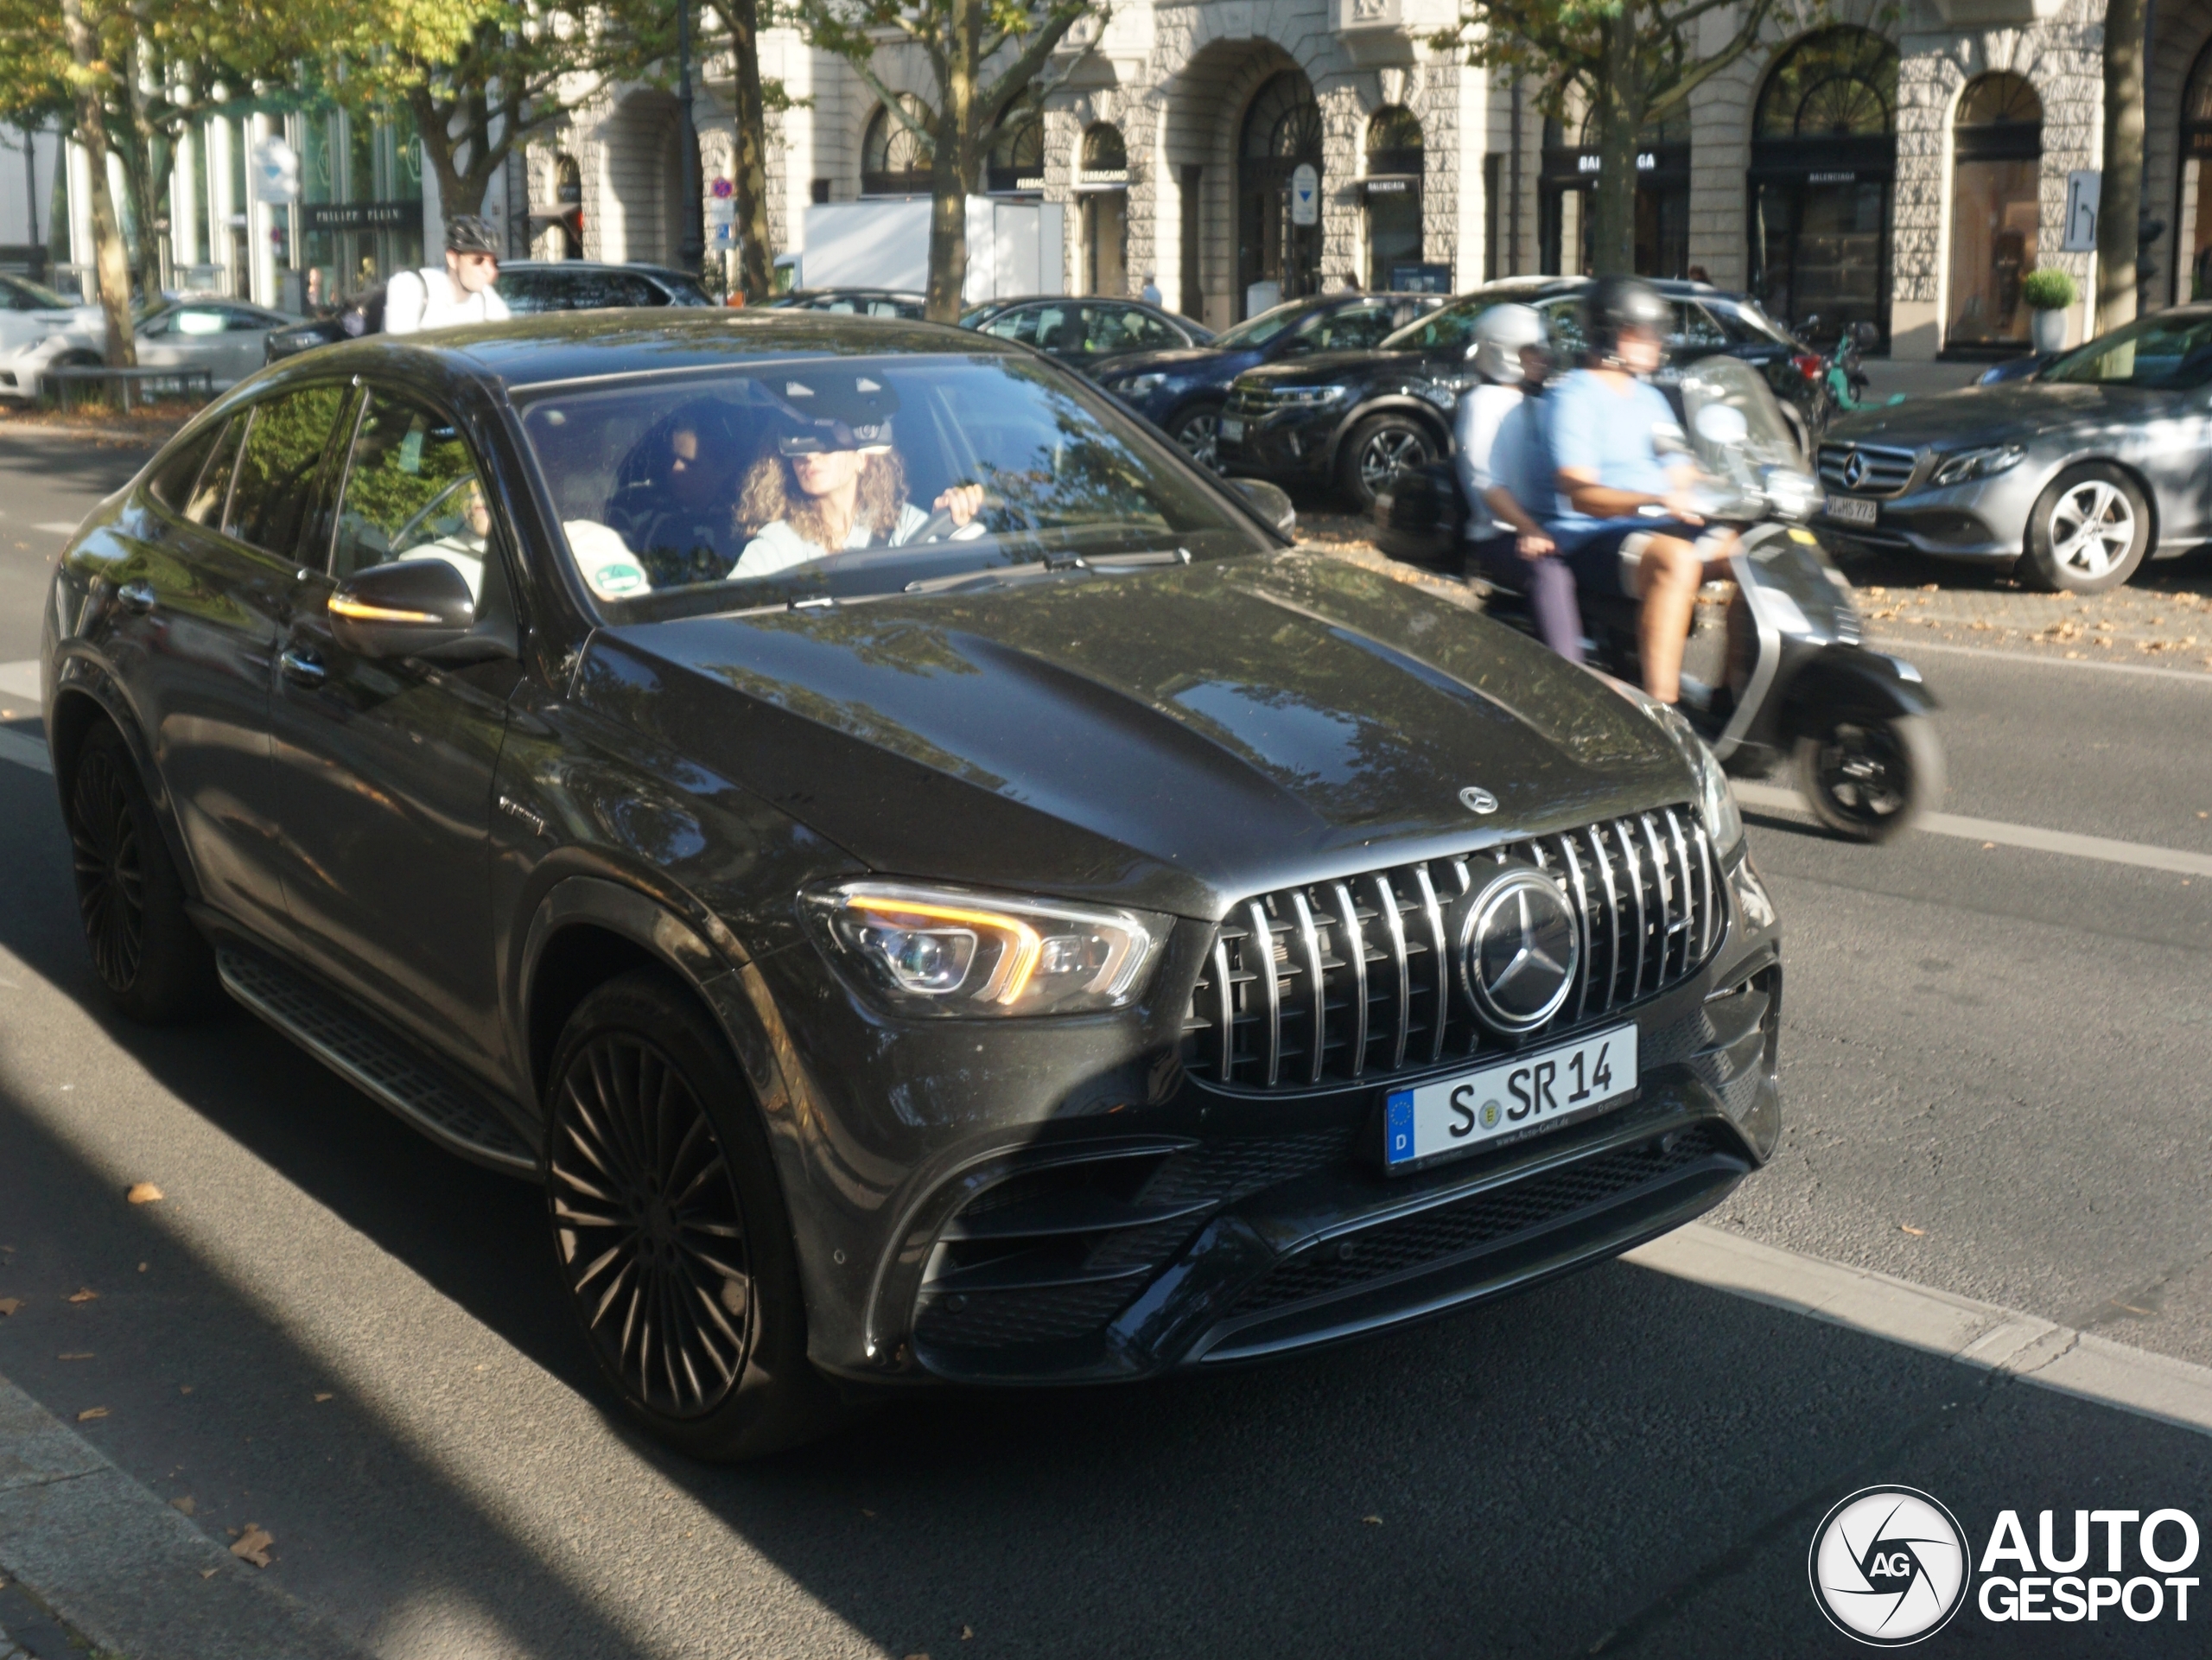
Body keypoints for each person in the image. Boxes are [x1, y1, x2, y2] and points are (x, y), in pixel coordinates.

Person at [1545, 276, 1737, 705]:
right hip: (1593, 535)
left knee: (1750, 553)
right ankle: (1662, 712)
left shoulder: (1649, 398)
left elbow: (1680, 468)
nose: (1656, 343)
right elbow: (1579, 492)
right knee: (1677, 560)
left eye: (1657, 333)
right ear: (1610, 332)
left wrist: (1732, 484)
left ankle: (1732, 697)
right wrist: (1652, 500)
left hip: (1657, 524)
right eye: (1644, 333)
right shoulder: (1573, 397)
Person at [732, 373, 984, 578]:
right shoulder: (781, 543)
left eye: (826, 438)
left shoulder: (901, 526)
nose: (809, 455)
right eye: (796, 441)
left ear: (863, 457)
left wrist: (952, 522)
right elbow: (732, 615)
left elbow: (980, 569)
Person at [1453, 304, 1582, 663]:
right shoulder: (1481, 404)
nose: (1541, 359)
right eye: (1531, 351)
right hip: (1501, 534)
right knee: (1550, 575)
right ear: (1501, 352)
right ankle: (1574, 680)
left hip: (1550, 527)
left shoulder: (1544, 403)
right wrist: (1529, 528)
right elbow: (1487, 483)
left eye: (1543, 351)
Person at [385, 216, 510, 335]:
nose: (489, 270)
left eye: (494, 262)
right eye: (478, 260)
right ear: (453, 259)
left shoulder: (487, 299)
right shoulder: (410, 287)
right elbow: (399, 352)